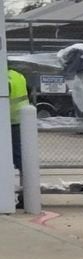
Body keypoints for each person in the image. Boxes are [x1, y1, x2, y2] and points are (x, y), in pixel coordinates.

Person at [7, 63, 25, 209]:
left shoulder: (5, 80)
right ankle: (26, 195)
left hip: (11, 123)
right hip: (22, 123)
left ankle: (24, 196)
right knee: (22, 162)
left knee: (18, 160)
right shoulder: (18, 75)